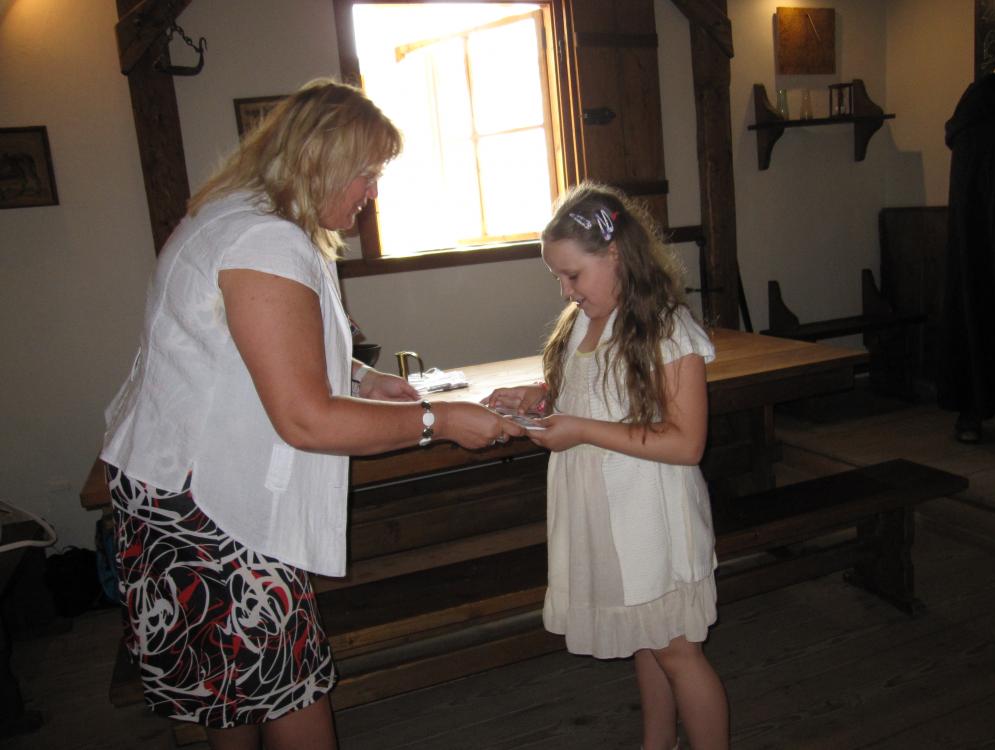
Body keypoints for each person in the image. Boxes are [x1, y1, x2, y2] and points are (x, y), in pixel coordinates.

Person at [100, 78, 524, 750]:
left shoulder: (236, 216)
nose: (371, 192)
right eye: (366, 173)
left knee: (227, 694)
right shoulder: (264, 242)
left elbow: (251, 346)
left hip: (172, 486)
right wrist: (439, 422)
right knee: (285, 686)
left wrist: (362, 377)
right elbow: (307, 420)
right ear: (319, 161)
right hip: (207, 502)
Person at [485, 183, 729, 749]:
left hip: (651, 519)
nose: (566, 291)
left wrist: (580, 429)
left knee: (677, 651)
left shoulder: (668, 329)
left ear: (615, 254)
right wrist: (542, 398)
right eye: (558, 279)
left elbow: (687, 442)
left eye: (573, 275)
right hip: (610, 518)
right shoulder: (584, 320)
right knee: (645, 638)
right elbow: (597, 393)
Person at [937, 69, 995, 444]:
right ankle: (972, 408)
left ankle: (972, 410)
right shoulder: (978, 111)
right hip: (978, 240)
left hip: (978, 235)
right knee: (976, 309)